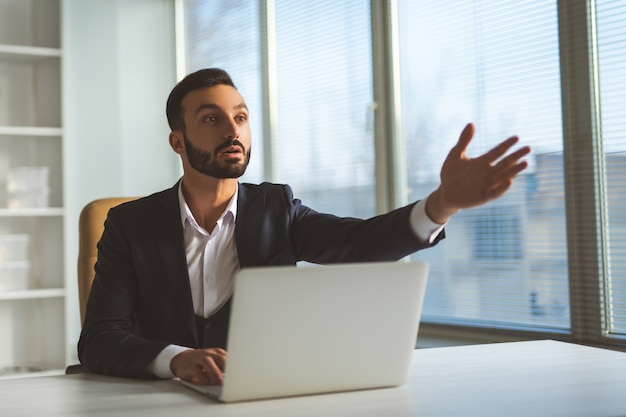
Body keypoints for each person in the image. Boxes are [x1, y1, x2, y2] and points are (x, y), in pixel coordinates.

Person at [78, 68, 530, 386]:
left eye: (240, 117)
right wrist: (176, 362)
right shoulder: (130, 224)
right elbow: (99, 340)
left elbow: (358, 243)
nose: (232, 130)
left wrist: (442, 203)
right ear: (178, 141)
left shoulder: (276, 207)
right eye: (211, 119)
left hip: (264, 400)